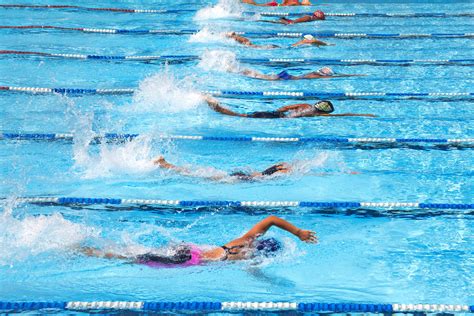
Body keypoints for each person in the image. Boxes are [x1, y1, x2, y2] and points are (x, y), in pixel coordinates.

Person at [78, 215, 317, 267]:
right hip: (187, 259)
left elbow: (271, 218)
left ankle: (89, 246)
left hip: (188, 249)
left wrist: (297, 232)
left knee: (133, 252)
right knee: (129, 258)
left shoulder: (244, 240)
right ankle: (86, 251)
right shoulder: (251, 257)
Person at [205, 96, 377, 119]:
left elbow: (287, 106)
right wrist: (361, 113)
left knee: (243, 114)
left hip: (275, 114)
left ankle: (217, 107)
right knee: (240, 116)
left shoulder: (306, 106)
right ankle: (218, 108)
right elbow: (341, 115)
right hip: (277, 117)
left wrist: (279, 111)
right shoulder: (315, 114)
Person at [153, 156, 292, 181]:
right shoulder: (283, 172)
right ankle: (165, 165)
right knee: (195, 175)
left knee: (198, 173)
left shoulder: (281, 165)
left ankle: (166, 164)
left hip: (242, 175)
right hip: (241, 179)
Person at [241, 66, 366, 80]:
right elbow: (337, 76)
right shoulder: (318, 77)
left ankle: (244, 71)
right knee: (265, 78)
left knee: (264, 76)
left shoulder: (314, 73)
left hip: (290, 76)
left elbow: (338, 74)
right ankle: (244, 72)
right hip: (290, 78)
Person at [227, 32, 331, 48]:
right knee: (251, 45)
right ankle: (234, 36)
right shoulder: (304, 42)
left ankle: (234, 36)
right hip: (280, 48)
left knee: (251, 45)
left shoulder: (302, 42)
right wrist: (327, 44)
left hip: (280, 47)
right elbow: (313, 41)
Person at [242, 0, 312, 6]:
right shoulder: (295, 2)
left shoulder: (296, 2)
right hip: (276, 5)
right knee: (257, 5)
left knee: (258, 5)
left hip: (276, 4)